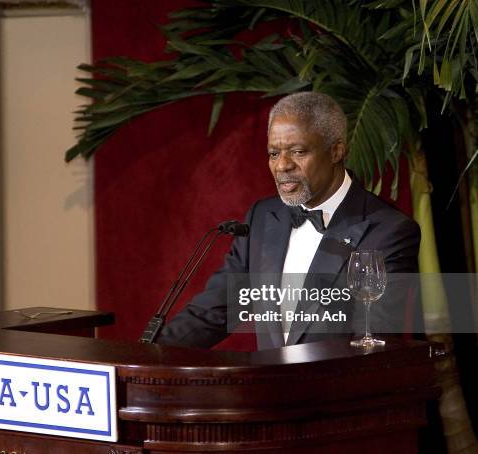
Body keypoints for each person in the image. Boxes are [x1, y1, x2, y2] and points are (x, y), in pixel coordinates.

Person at [157, 92, 421, 349]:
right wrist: (148, 355)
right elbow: (215, 310)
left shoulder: (389, 231)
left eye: (297, 151)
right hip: (270, 391)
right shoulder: (262, 217)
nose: (282, 165)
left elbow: (373, 343)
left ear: (336, 152)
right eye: (274, 153)